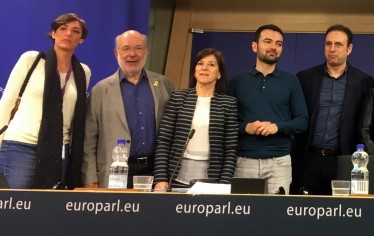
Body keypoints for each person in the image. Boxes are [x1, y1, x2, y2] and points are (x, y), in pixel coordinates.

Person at [0, 13, 91, 189]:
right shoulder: (31, 60)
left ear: (81, 39)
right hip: (21, 145)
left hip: (59, 150)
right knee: (18, 205)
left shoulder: (83, 72)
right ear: (53, 33)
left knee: (48, 209)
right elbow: (7, 102)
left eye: (75, 31)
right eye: (63, 29)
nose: (68, 34)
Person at [82, 30, 174, 188]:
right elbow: (89, 138)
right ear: (116, 53)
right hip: (114, 173)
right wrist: (90, 176)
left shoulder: (163, 84)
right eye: (126, 49)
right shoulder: (100, 90)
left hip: (156, 172)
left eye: (138, 48)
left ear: (146, 52)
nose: (132, 54)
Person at [294, 25, 374, 195]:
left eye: (338, 44)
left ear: (349, 48)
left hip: (344, 160)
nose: (332, 49)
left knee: (341, 214)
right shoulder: (304, 78)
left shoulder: (363, 81)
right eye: (328, 44)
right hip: (309, 159)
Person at [228, 24, 308, 194]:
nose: (274, 47)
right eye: (268, 41)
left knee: (277, 217)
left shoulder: (291, 81)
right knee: (242, 215)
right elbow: (224, 124)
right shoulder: (237, 82)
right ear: (254, 46)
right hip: (243, 161)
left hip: (279, 162)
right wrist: (246, 128)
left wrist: (277, 127)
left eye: (279, 43)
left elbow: (302, 121)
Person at [154, 48, 239, 190]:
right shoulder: (178, 98)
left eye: (211, 64)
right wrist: (161, 177)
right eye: (200, 63)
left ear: (219, 73)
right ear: (194, 70)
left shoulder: (228, 104)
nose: (204, 68)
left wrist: (224, 183)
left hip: (213, 178)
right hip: (174, 175)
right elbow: (164, 140)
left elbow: (230, 149)